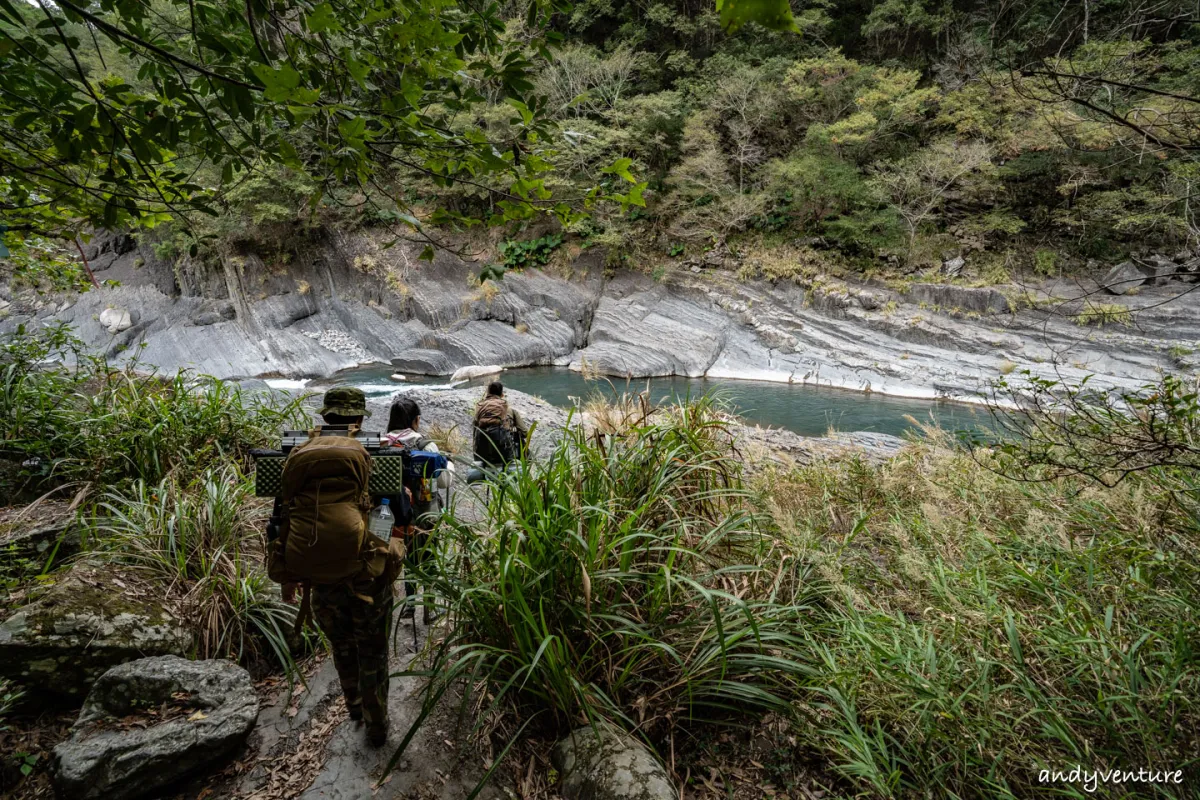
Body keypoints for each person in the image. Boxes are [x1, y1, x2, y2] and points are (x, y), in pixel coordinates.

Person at [284, 386, 395, 747]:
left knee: (342, 645)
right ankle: (377, 724)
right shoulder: (370, 451)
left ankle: (354, 708)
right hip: (365, 574)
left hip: (318, 572)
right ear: (360, 418)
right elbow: (390, 513)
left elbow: (281, 516)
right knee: (373, 649)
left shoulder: (299, 449)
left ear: (325, 416)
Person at [384, 396, 451, 622]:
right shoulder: (426, 445)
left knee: (408, 558)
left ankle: (410, 604)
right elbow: (443, 482)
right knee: (429, 557)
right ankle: (430, 609)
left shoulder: (384, 444)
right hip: (426, 512)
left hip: (395, 515)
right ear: (415, 420)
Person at [472, 381, 528, 467]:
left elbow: (475, 429)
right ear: (502, 393)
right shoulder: (508, 408)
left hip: (482, 452)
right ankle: (526, 468)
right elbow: (524, 432)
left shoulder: (480, 406)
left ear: (488, 393)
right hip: (503, 449)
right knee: (520, 439)